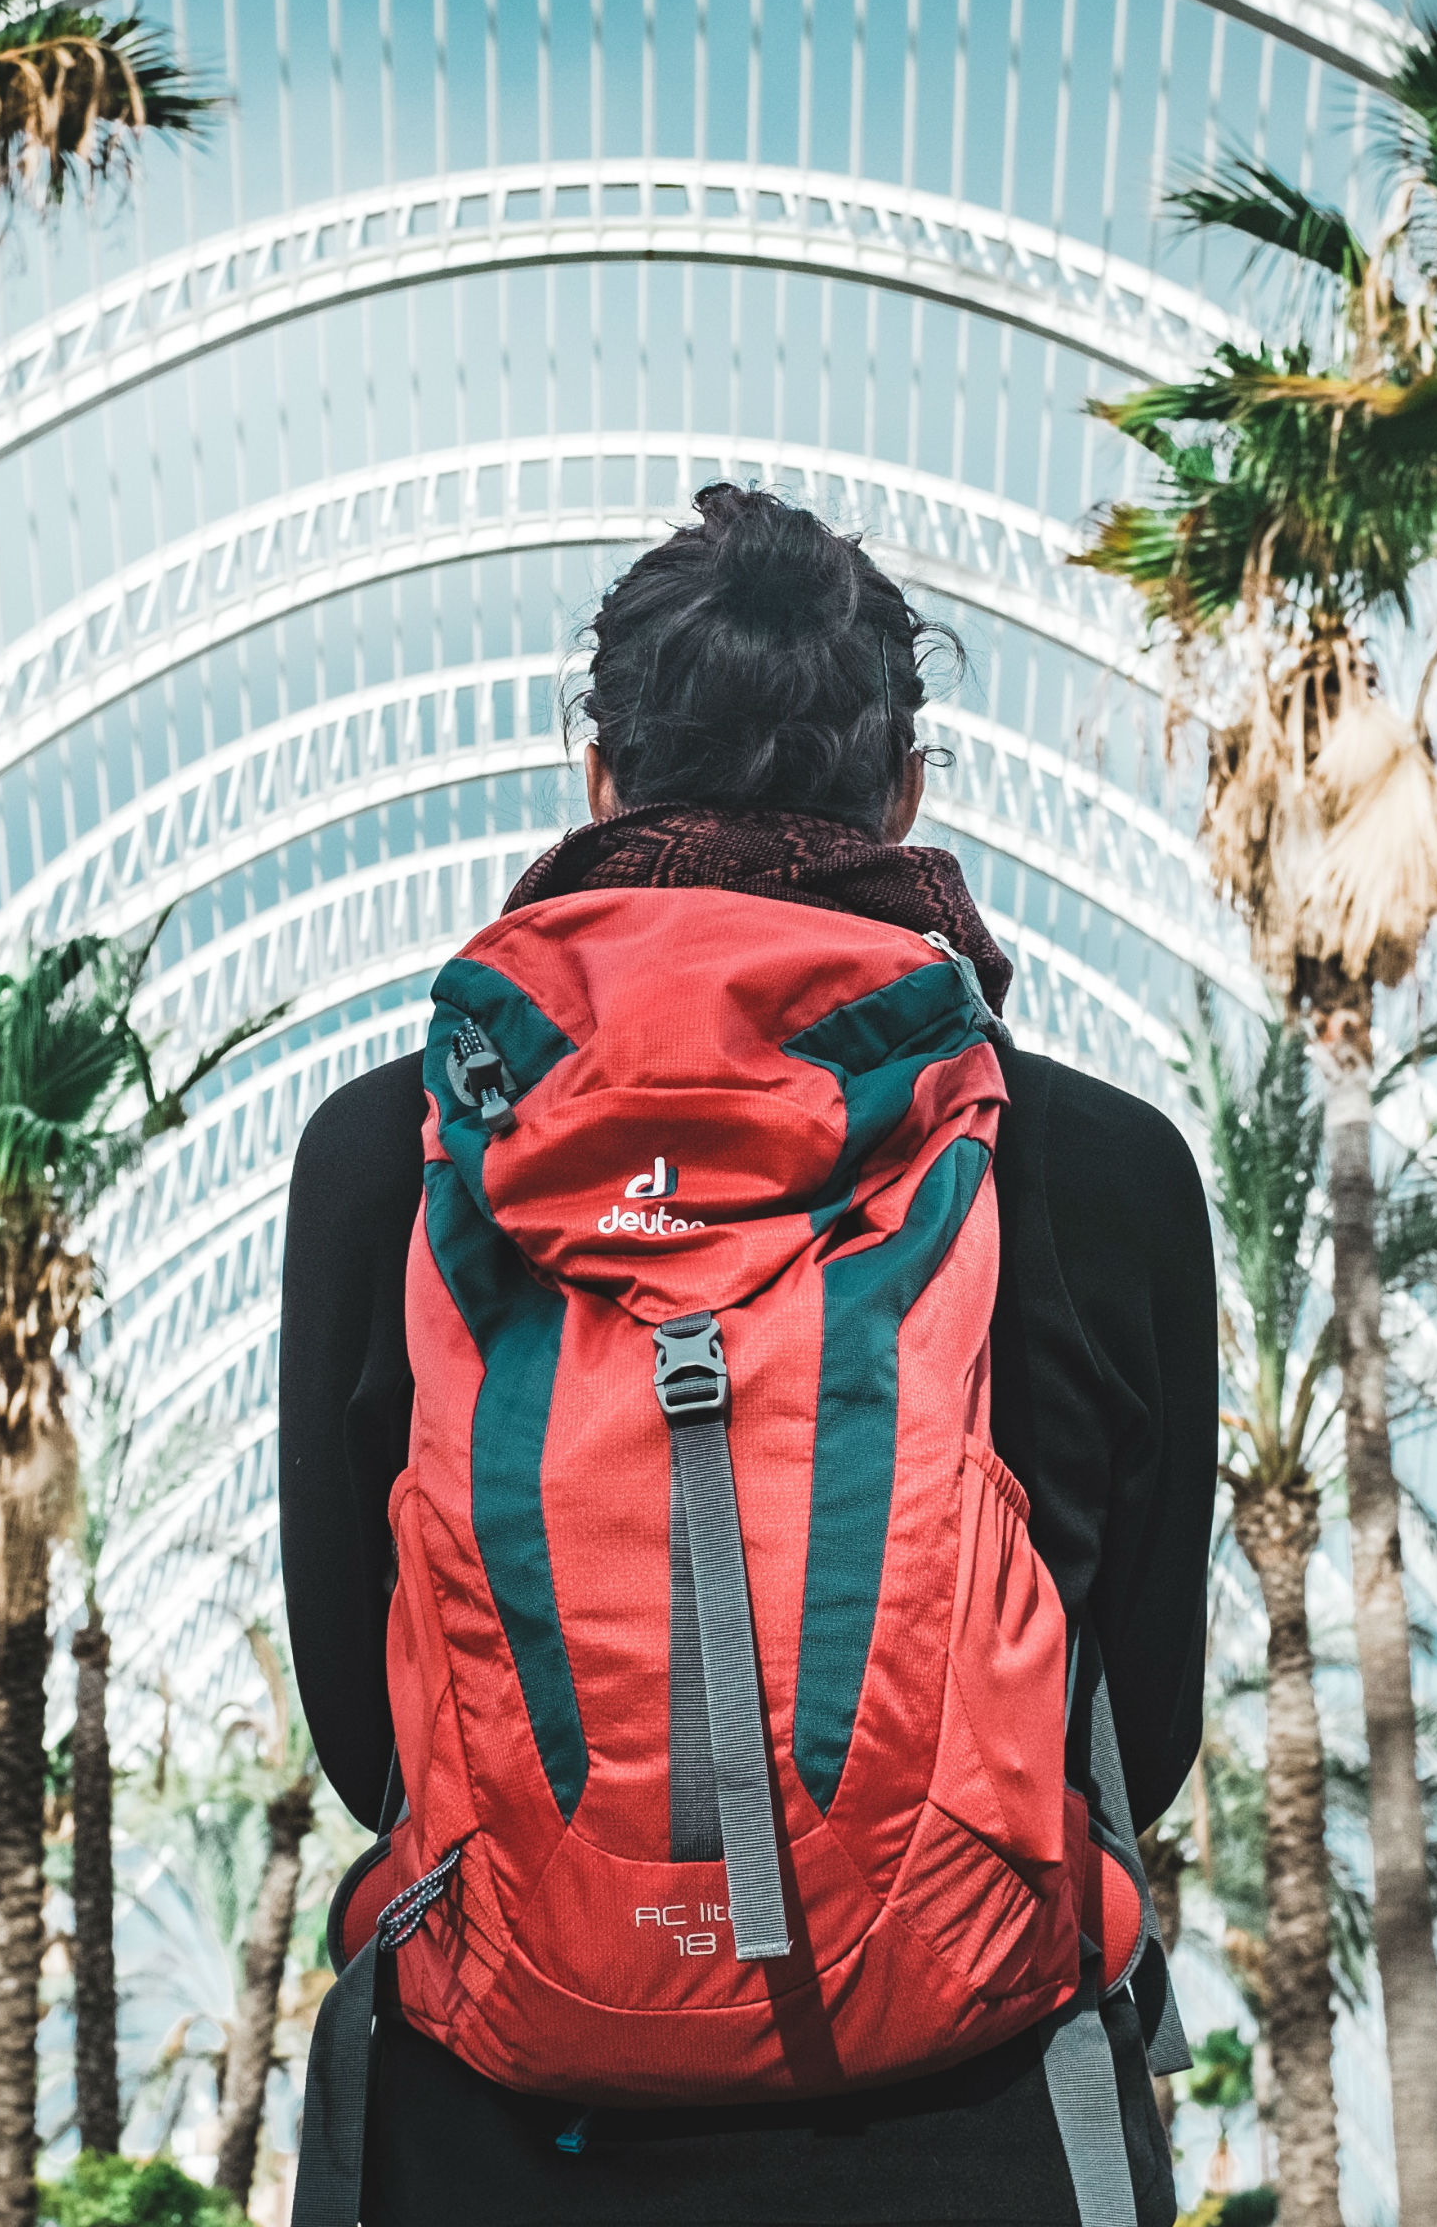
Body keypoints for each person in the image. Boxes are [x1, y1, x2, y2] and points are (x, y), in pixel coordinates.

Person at [277, 483, 1217, 2224]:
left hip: (497, 2137)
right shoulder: (1087, 1164)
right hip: (979, 2132)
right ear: (905, 797)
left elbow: (362, 1721)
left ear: (599, 779)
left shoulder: (387, 1153)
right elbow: (1131, 1731)